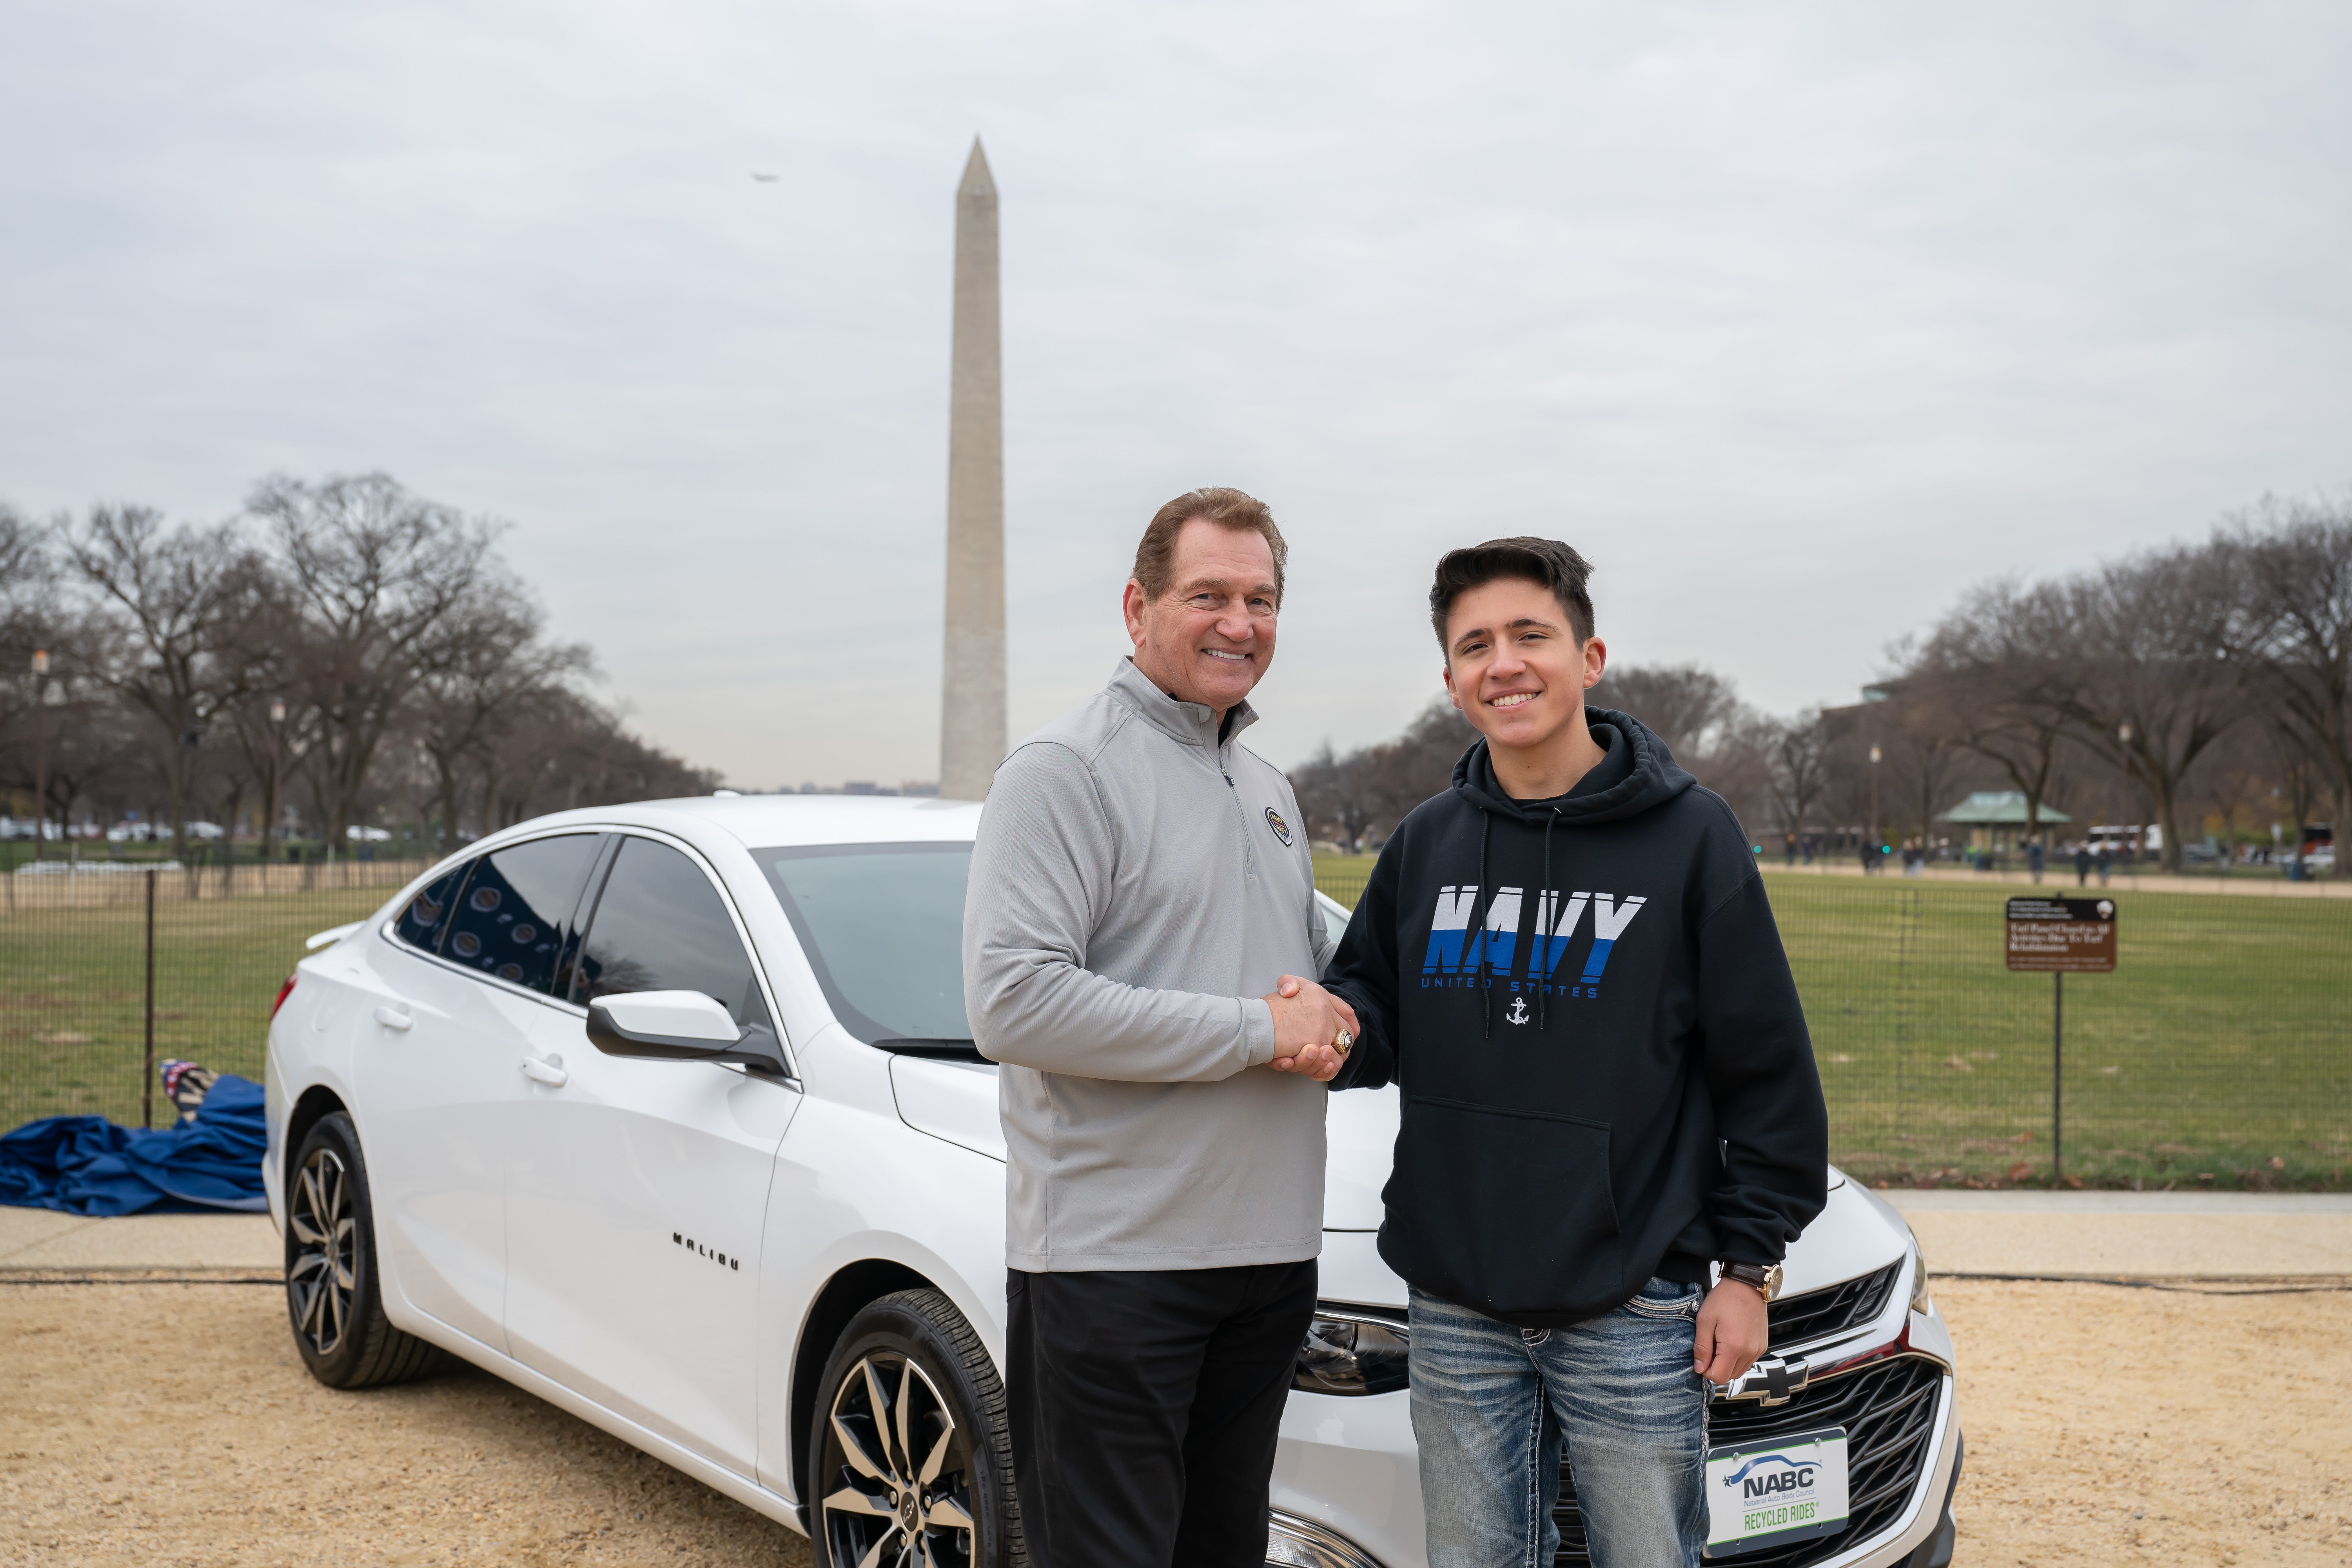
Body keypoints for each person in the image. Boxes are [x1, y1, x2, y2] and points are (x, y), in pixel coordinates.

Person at [1322, 537, 1828, 1568]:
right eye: (1474, 645)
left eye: (1529, 635)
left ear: (1588, 658)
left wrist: (1749, 1271)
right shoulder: (1426, 842)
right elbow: (1372, 1005)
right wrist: (1327, 1027)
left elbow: (1766, 1073)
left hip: (1634, 1299)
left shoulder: (1694, 839)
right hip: (1457, 1298)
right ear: (1453, 680)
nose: (1502, 662)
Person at [963, 486, 1357, 1568]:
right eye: (1210, 596)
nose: (1241, 622)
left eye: (1263, 599)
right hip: (1116, 1268)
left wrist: (1335, 1021)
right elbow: (1013, 999)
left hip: (1270, 1258)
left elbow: (1295, 988)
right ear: (1138, 608)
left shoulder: (1269, 783)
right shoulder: (1064, 771)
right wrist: (1259, 1032)